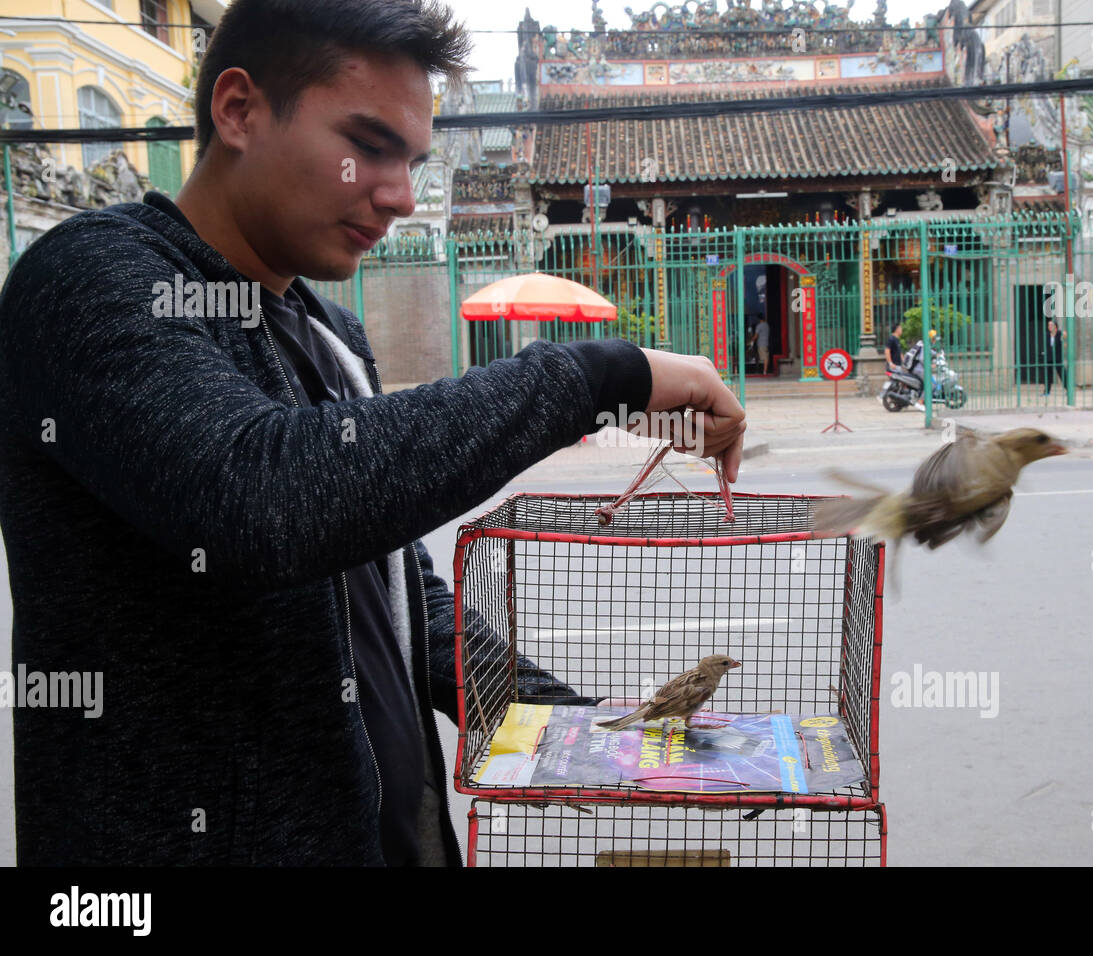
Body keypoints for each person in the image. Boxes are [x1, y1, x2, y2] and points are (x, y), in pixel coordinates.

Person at [0, 0, 746, 867]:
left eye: (414, 160)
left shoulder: (331, 334)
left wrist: (595, 731)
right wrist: (599, 378)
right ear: (238, 110)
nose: (396, 194)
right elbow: (261, 497)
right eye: (369, 145)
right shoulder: (90, 276)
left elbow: (398, 599)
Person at [1043, 319, 1065, 396]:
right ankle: (1046, 392)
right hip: (1049, 358)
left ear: (1055, 326)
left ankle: (1068, 390)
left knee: (1062, 374)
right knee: (1048, 376)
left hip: (1058, 358)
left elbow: (1065, 341)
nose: (1049, 326)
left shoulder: (1060, 334)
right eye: (1048, 325)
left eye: (1051, 325)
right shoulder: (1047, 335)